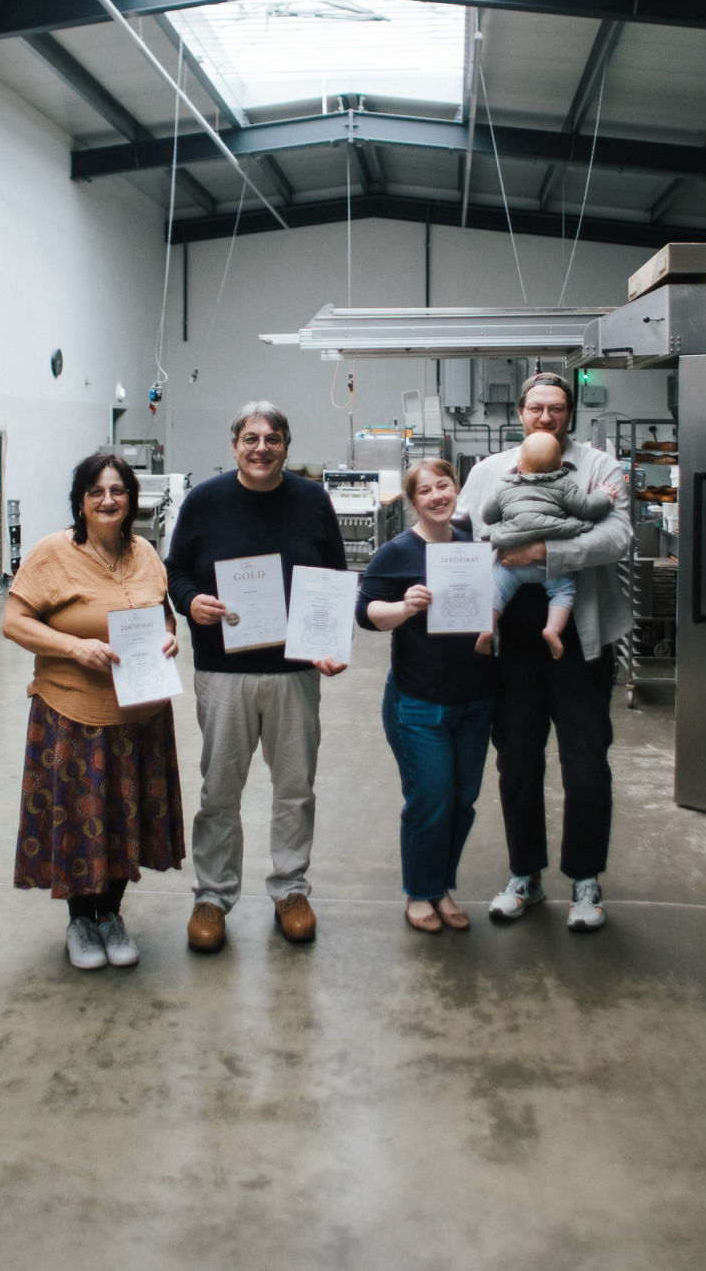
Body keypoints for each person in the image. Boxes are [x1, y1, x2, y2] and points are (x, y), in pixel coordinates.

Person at [165, 401, 348, 954]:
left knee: (295, 788)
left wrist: (331, 643)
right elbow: (174, 569)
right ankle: (212, 897)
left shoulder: (313, 501)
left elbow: (334, 577)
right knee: (220, 789)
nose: (261, 448)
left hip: (294, 673)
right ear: (235, 445)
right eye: (250, 438)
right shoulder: (205, 500)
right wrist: (191, 601)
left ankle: (290, 888)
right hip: (224, 671)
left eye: (271, 438)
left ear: (286, 446)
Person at [456, 373, 632, 932]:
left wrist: (544, 549)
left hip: (580, 642)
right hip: (512, 648)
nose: (545, 417)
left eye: (557, 408)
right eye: (536, 408)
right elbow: (462, 532)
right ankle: (524, 874)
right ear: (522, 412)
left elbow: (617, 537)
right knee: (516, 763)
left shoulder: (600, 468)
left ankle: (585, 878)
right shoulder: (489, 471)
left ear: (570, 413)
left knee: (585, 765)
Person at [3, 453, 185, 971]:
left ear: (131, 500)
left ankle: (112, 915)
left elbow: (164, 615)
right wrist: (72, 647)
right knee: (80, 819)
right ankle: (80, 922)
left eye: (119, 492)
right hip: (73, 715)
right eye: (96, 492)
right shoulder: (53, 554)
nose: (108, 501)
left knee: (125, 819)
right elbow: (14, 621)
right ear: (80, 502)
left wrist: (170, 638)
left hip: (140, 714)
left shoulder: (146, 552)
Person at [356, 459, 496, 934]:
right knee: (430, 800)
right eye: (426, 491)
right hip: (418, 702)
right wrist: (403, 607)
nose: (438, 496)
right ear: (413, 501)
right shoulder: (396, 552)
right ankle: (419, 892)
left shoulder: (473, 548)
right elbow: (364, 612)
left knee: (462, 802)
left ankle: (441, 886)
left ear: (456, 489)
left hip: (475, 699)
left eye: (444, 486)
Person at [479, 429, 618, 661]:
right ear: (560, 464)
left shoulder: (505, 486)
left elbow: (488, 515)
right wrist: (605, 495)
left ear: (520, 465)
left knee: (496, 589)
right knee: (564, 592)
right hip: (551, 564)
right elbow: (587, 508)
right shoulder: (564, 484)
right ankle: (552, 629)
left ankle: (487, 627)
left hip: (510, 563)